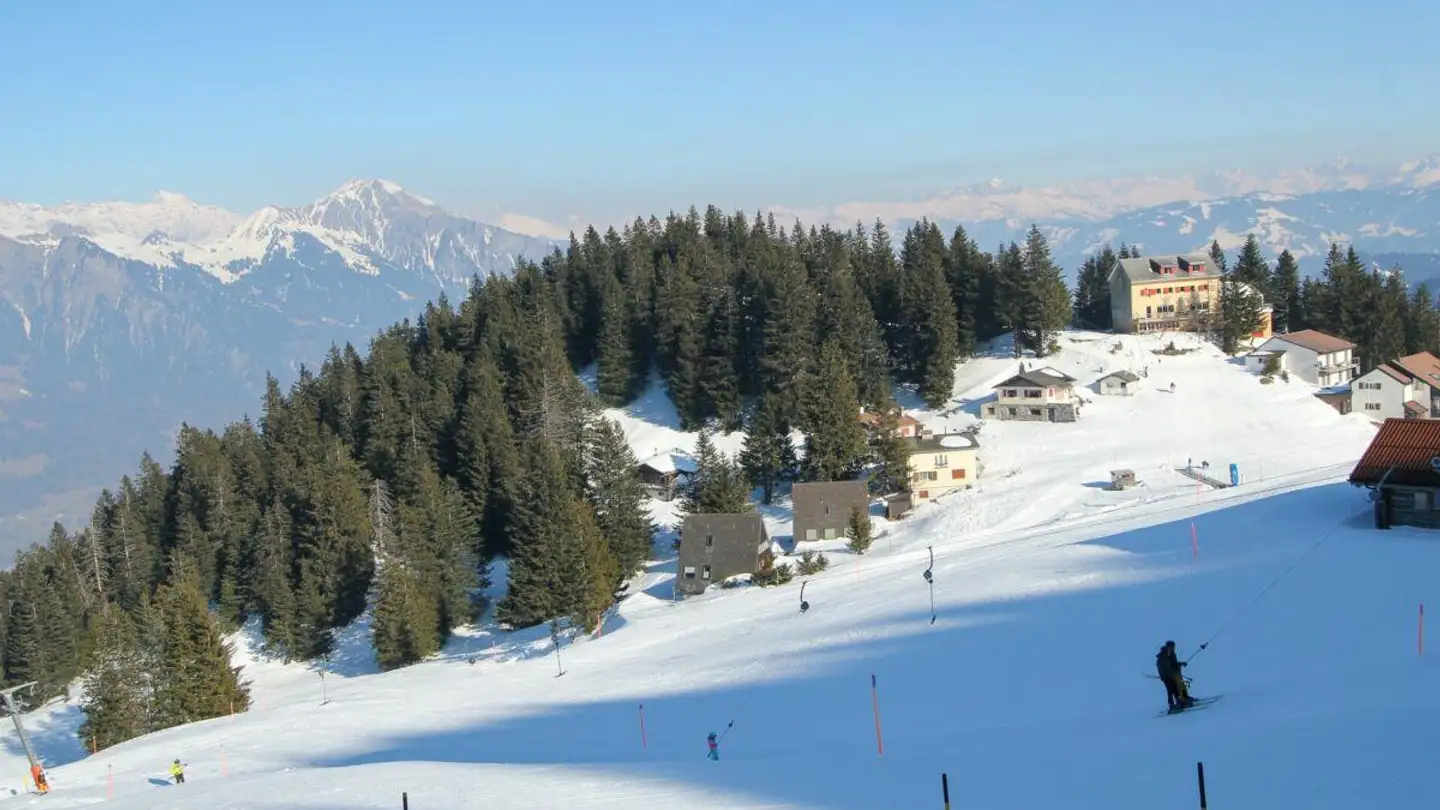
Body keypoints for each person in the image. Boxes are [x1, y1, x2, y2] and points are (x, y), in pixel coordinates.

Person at [1155, 640, 1193, 711]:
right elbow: (1167, 666)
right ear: (1169, 646)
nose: (1174, 648)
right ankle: (1174, 704)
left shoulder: (1170, 653)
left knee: (1178, 687)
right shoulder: (1165, 654)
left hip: (1171, 674)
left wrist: (1180, 664)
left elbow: (1173, 664)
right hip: (1168, 675)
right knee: (1172, 689)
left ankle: (1182, 700)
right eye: (1173, 647)